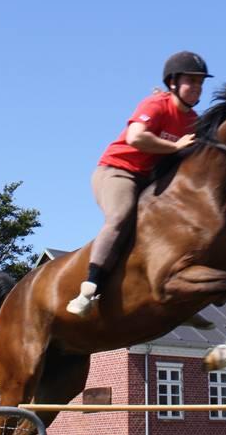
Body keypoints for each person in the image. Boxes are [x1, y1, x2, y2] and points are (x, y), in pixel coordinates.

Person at [66, 51, 213, 316]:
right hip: (117, 170)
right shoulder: (156, 104)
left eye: (201, 82)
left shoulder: (194, 121)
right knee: (121, 216)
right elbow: (136, 138)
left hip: (148, 180)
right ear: (173, 83)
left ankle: (173, 297)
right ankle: (88, 287)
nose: (197, 88)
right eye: (191, 81)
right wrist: (175, 145)